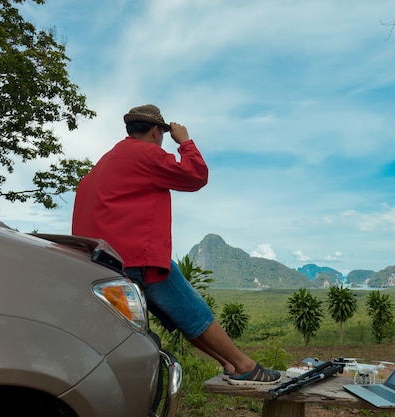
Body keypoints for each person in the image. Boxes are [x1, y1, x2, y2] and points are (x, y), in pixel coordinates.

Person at [72, 104, 281, 385]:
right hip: (135, 258)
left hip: (98, 262)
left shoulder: (105, 162)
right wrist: (185, 141)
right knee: (194, 311)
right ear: (157, 131)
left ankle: (230, 365)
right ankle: (245, 366)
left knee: (183, 317)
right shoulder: (145, 153)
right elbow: (196, 175)